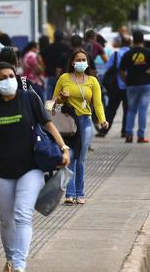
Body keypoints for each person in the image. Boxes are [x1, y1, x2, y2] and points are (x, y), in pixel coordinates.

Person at [0, 62, 70, 272]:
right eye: (2, 78)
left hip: (31, 168)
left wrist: (63, 147)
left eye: (11, 76)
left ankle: (19, 265)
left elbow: (47, 123)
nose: (8, 80)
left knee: (22, 214)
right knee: (6, 218)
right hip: (2, 171)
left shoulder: (28, 98)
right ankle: (10, 259)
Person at [53, 49, 108, 205]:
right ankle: (70, 194)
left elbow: (97, 103)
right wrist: (61, 99)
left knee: (81, 159)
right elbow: (53, 105)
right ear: (72, 62)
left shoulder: (92, 80)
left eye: (84, 60)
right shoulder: (64, 78)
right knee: (70, 157)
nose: (81, 62)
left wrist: (103, 120)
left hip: (85, 122)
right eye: (78, 59)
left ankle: (80, 193)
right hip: (69, 124)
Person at [119, 31, 150, 143]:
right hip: (145, 84)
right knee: (142, 110)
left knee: (131, 110)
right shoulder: (149, 52)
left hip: (131, 85)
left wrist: (126, 80)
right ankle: (141, 136)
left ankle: (129, 135)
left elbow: (121, 70)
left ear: (133, 40)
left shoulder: (128, 54)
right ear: (143, 40)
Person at [97, 35, 131, 138]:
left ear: (121, 43)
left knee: (111, 109)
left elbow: (107, 67)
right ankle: (125, 131)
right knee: (128, 110)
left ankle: (103, 130)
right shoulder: (132, 54)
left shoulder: (116, 54)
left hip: (116, 87)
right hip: (129, 86)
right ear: (130, 43)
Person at [41, 30, 71, 99]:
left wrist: (44, 66)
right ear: (63, 37)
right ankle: (59, 109)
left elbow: (40, 56)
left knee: (50, 96)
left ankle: (49, 109)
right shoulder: (66, 48)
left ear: (54, 37)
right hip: (63, 76)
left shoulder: (48, 47)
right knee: (61, 96)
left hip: (50, 74)